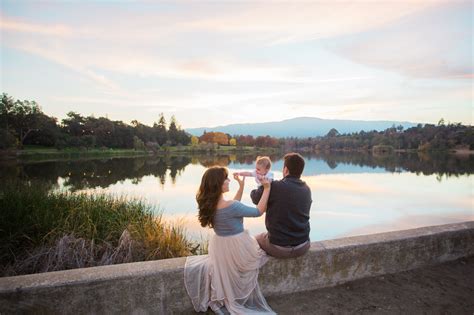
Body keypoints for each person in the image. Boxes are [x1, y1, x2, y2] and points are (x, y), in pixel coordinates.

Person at [184, 166, 275, 314]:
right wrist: (266, 188)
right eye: (226, 178)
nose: (228, 180)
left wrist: (241, 187)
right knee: (262, 253)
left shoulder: (210, 204)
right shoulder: (232, 206)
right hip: (238, 246)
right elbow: (258, 211)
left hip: (220, 245)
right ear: (218, 184)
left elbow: (233, 208)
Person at [251, 152, 312, 259]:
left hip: (279, 247)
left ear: (286, 170)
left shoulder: (275, 186)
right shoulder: (307, 189)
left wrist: (261, 184)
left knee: (255, 239)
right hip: (303, 245)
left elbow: (255, 198)